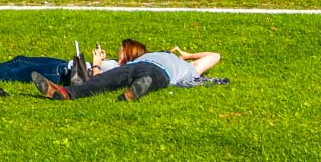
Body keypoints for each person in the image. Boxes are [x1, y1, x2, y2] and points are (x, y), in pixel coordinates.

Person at [32, 40, 222, 102]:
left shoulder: (190, 69)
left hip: (162, 72)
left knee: (150, 77)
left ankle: (135, 91)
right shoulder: (149, 55)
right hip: (135, 66)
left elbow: (215, 56)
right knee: (105, 80)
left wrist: (188, 56)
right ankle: (64, 93)